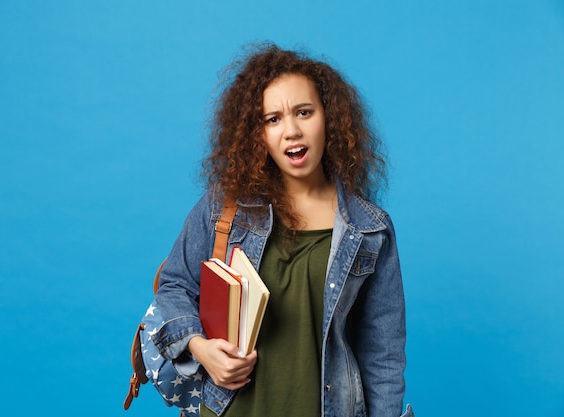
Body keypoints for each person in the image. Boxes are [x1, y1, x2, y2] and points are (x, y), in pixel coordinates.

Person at [151, 43, 413, 417]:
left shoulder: (369, 230)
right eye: (272, 119)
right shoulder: (224, 207)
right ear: (256, 135)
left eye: (304, 112)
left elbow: (383, 355)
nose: (291, 130)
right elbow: (175, 284)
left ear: (329, 119)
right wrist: (200, 348)